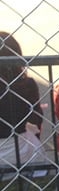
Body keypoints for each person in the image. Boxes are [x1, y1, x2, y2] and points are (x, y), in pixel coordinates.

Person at [0, 32, 48, 168]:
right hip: (19, 149)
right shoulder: (26, 84)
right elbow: (36, 120)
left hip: (13, 146)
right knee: (31, 134)